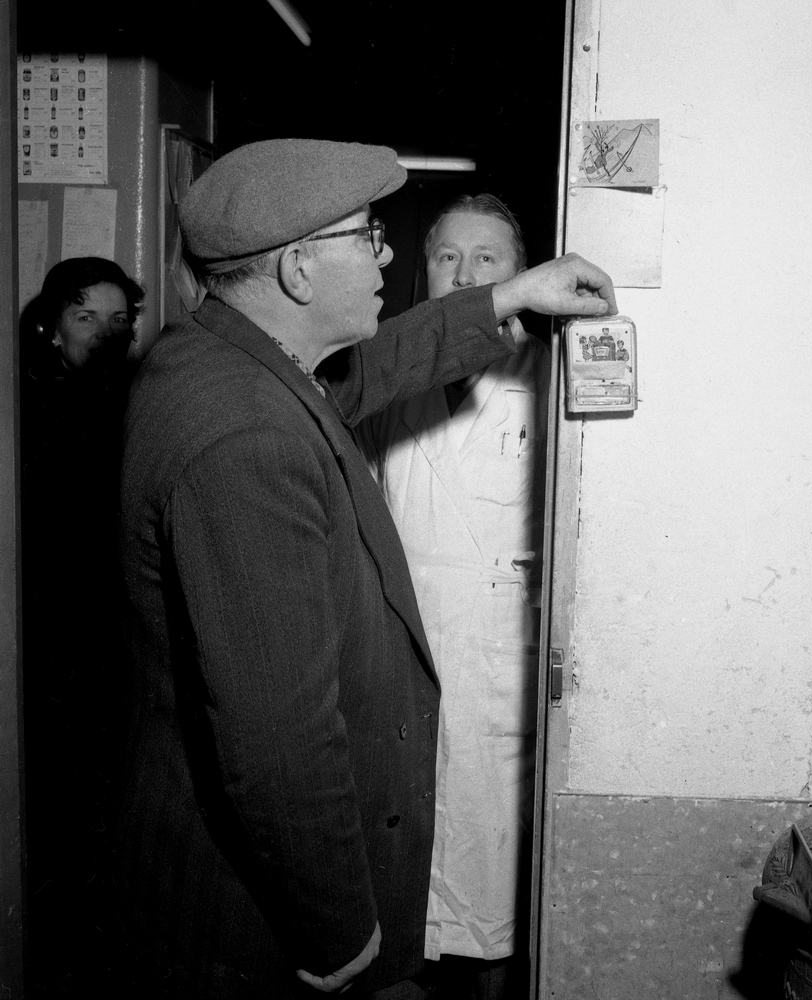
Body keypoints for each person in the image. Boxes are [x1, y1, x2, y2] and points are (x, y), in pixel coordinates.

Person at [111, 138, 616, 999]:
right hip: (250, 914)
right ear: (299, 269)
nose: (386, 257)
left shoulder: (227, 359)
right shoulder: (248, 438)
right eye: (368, 236)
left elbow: (371, 369)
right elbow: (277, 741)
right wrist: (343, 933)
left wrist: (508, 296)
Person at [361, 195, 546, 998]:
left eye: (486, 260)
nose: (464, 276)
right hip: (403, 660)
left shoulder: (547, 379)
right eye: (447, 258)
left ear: (520, 275)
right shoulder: (382, 378)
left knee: (495, 891)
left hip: (503, 668)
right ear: (423, 272)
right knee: (407, 891)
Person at [18, 256, 144, 991]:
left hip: (113, 638)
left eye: (118, 319)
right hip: (47, 641)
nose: (103, 332)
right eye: (85, 316)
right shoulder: (28, 408)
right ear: (51, 326)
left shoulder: (134, 403)